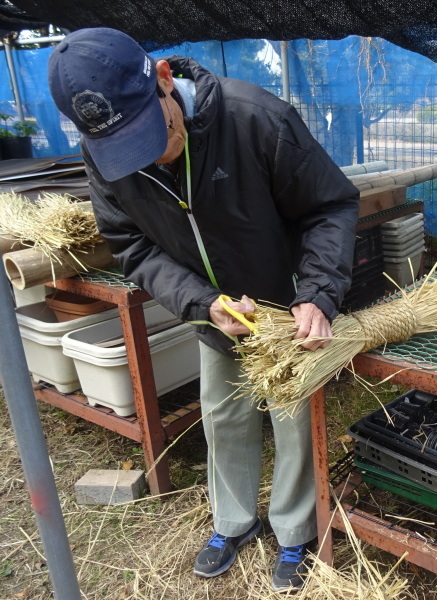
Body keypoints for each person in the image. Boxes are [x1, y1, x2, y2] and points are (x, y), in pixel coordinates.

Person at [47, 27, 360, 591]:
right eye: (127, 149)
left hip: (286, 312)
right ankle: (233, 521)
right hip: (212, 312)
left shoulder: (256, 120)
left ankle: (294, 531)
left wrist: (316, 294)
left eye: (155, 132)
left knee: (292, 421)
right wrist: (200, 303)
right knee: (222, 414)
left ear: (165, 79)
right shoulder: (105, 159)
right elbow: (131, 246)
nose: (153, 154)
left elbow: (329, 206)